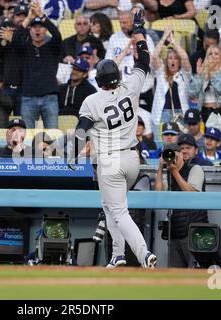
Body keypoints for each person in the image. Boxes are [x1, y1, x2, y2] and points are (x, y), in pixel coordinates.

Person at [72, 11, 157, 269]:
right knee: (109, 206)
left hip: (109, 161)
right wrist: (139, 31)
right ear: (117, 78)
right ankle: (118, 255)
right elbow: (143, 59)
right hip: (133, 158)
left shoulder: (92, 100)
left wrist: (72, 155)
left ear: (98, 81)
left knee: (119, 211)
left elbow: (80, 131)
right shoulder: (130, 86)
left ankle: (143, 254)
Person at [154, 142, 206, 267]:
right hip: (175, 233)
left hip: (194, 234)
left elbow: (192, 194)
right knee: (175, 275)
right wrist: (160, 168)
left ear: (182, 156)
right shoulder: (169, 174)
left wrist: (175, 172)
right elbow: (158, 195)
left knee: (194, 275)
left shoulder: (195, 169)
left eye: (174, 155)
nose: (172, 159)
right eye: (168, 156)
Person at [13, 1, 62, 129]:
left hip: (49, 98)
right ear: (30, 30)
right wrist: (29, 18)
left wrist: (42, 15)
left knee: (52, 137)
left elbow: (57, 35)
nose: (37, 29)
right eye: (34, 27)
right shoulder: (24, 49)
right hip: (28, 98)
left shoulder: (52, 47)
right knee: (28, 138)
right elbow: (15, 39)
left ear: (45, 30)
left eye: (41, 26)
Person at [151, 27, 192, 128]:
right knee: (161, 143)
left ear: (179, 62)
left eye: (176, 58)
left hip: (181, 113)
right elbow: (154, 56)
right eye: (170, 58)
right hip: (162, 113)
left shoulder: (185, 74)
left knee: (180, 142)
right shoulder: (161, 72)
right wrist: (164, 37)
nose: (173, 61)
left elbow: (185, 57)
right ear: (166, 61)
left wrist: (173, 40)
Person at [188, 44, 221, 131]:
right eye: (210, 54)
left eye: (216, 54)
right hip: (204, 112)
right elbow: (192, 93)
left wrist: (213, 74)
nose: (213, 56)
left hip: (220, 111)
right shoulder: (203, 71)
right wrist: (199, 75)